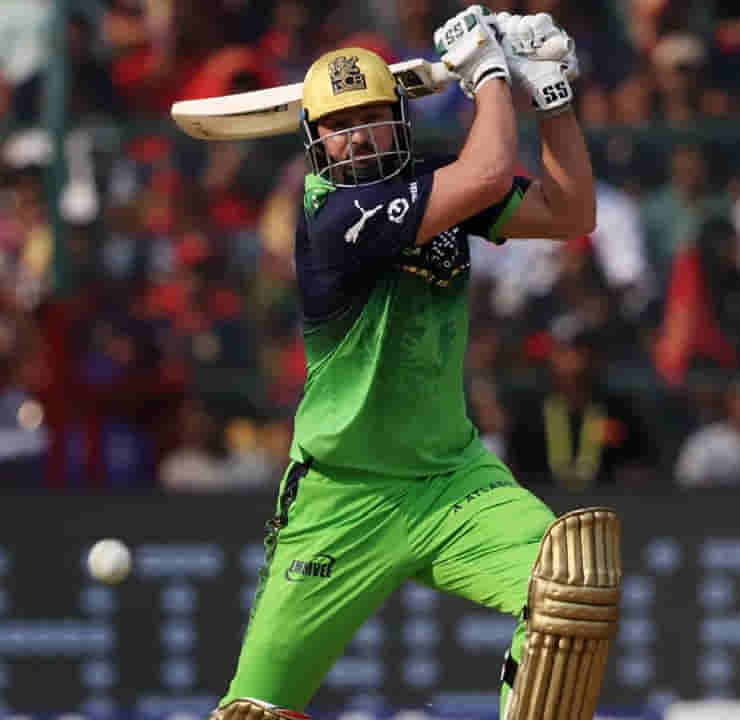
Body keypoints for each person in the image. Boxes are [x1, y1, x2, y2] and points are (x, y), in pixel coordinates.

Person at [208, 8, 620, 720]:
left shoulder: (436, 184)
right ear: (314, 141)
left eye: (371, 116)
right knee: (254, 712)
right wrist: (489, 74)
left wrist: (552, 97)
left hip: (451, 480)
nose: (358, 136)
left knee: (570, 582)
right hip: (342, 496)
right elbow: (487, 172)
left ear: (399, 118)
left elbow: (570, 212)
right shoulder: (333, 216)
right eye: (339, 125)